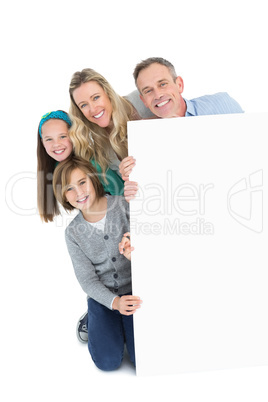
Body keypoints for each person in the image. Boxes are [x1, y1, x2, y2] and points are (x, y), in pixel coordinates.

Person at [52, 156, 142, 371]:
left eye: (82, 182)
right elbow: (87, 280)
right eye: (69, 189)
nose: (79, 193)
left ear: (93, 179)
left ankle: (121, 327)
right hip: (104, 299)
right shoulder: (73, 233)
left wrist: (136, 248)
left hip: (136, 292)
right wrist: (114, 303)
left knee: (143, 360)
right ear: (63, 196)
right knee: (107, 362)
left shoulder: (124, 206)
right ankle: (94, 320)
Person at [119, 57, 244, 198]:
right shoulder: (145, 142)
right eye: (148, 91)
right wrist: (135, 184)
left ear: (179, 84)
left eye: (163, 84)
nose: (158, 94)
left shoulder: (221, 105)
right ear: (144, 101)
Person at [37, 110, 125, 222]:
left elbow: (120, 192)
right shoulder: (54, 169)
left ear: (73, 135)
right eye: (49, 139)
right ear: (42, 142)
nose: (56, 144)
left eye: (62, 136)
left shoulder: (93, 163)